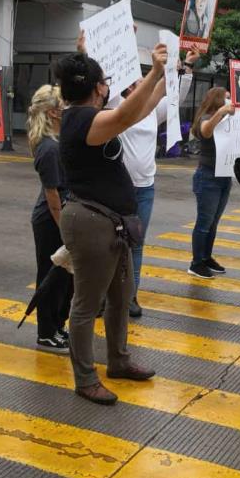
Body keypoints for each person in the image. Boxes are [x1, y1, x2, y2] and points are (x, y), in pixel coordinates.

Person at [52, 45, 168, 405]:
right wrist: (153, 73)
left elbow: (141, 110)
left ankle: (118, 360)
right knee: (87, 303)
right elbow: (125, 118)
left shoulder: (87, 115)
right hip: (91, 222)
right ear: (99, 88)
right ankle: (85, 377)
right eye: (106, 83)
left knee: (120, 296)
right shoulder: (81, 120)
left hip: (112, 223)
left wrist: (166, 75)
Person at [115, 51, 198, 315]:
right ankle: (107, 297)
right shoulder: (117, 108)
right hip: (117, 188)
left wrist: (186, 67)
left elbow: (176, 97)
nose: (141, 84)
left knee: (136, 244)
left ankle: (130, 297)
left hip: (145, 187)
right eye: (137, 81)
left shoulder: (152, 111)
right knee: (113, 245)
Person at [27, 84, 71, 353]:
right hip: (51, 219)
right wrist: (65, 229)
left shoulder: (55, 141)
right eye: (64, 104)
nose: (68, 108)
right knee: (50, 275)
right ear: (54, 112)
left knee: (64, 277)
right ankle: (45, 332)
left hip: (60, 215)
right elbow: (53, 195)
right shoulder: (48, 148)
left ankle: (56, 326)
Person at [188, 87, 235, 279]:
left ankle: (206, 257)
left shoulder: (226, 120)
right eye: (226, 98)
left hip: (225, 176)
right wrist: (221, 112)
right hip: (208, 177)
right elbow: (206, 132)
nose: (229, 101)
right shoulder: (206, 118)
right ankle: (196, 262)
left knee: (214, 222)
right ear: (217, 100)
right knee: (204, 222)